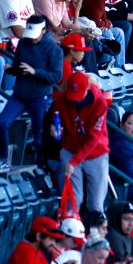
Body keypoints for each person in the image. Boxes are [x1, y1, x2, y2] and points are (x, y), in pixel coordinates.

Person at [52, 71, 111, 214]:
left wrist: (74, 162)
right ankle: (71, 233)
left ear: (87, 89)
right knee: (73, 201)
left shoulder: (99, 102)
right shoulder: (61, 99)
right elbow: (60, 127)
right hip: (70, 149)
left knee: (96, 204)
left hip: (96, 153)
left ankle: (95, 234)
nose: (75, 101)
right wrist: (56, 133)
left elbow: (93, 139)